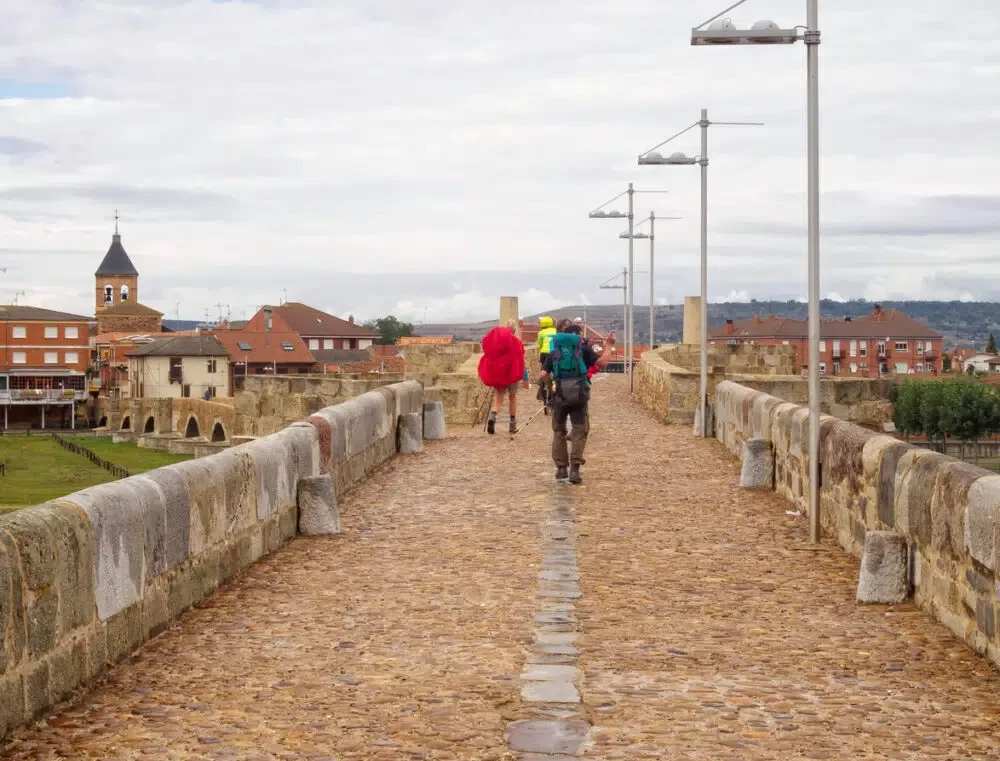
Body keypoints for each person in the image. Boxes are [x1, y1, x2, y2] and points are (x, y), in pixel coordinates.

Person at [540, 323, 598, 484]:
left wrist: (551, 386)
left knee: (559, 430)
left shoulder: (555, 352)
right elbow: (603, 363)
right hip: (579, 396)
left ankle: (561, 469)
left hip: (559, 396)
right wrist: (609, 346)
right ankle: (575, 470)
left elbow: (543, 373)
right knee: (580, 430)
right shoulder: (582, 350)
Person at [477, 319, 526, 435]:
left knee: (499, 399)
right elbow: (520, 359)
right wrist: (523, 376)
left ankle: (493, 416)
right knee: (512, 397)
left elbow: (491, 356)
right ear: (514, 330)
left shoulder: (497, 342)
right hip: (512, 375)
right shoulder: (516, 342)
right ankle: (512, 424)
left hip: (500, 375)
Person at [536, 316, 557, 411]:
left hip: (544, 354)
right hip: (555, 354)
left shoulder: (541, 333)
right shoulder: (556, 331)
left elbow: (540, 344)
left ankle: (544, 384)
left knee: (544, 371)